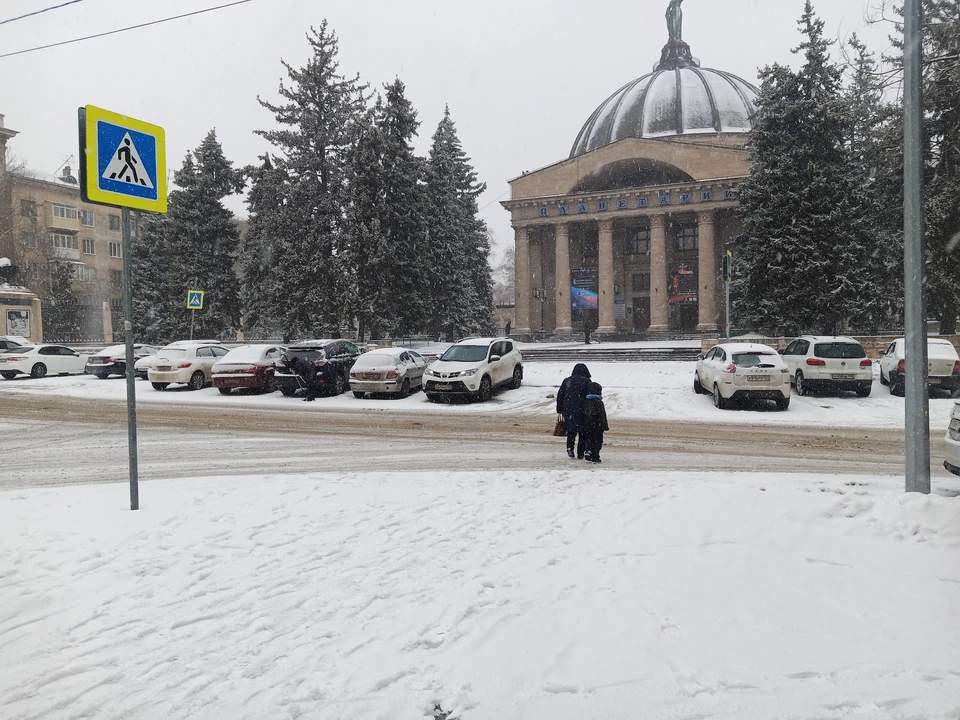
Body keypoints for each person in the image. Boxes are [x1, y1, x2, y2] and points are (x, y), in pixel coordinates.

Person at [556, 363, 591, 459]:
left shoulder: (567, 381)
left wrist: (559, 409)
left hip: (569, 409)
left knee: (571, 430)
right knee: (583, 432)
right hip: (582, 409)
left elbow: (560, 395)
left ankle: (570, 447)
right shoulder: (587, 381)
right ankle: (580, 452)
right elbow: (589, 396)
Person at [582, 381, 609, 463]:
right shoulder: (599, 402)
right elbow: (602, 414)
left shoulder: (586, 401)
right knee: (597, 440)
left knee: (588, 439)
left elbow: (582, 413)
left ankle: (588, 450)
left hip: (587, 424)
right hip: (597, 425)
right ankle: (595, 455)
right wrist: (605, 425)